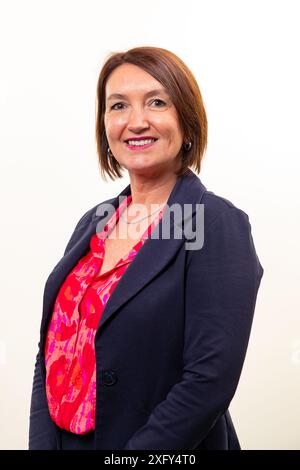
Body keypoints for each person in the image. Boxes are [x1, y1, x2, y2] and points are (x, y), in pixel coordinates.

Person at [28, 46, 264, 450]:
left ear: (186, 121)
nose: (136, 122)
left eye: (156, 102)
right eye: (118, 105)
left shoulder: (213, 222)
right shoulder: (95, 221)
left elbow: (208, 380)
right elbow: (51, 351)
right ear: (104, 124)